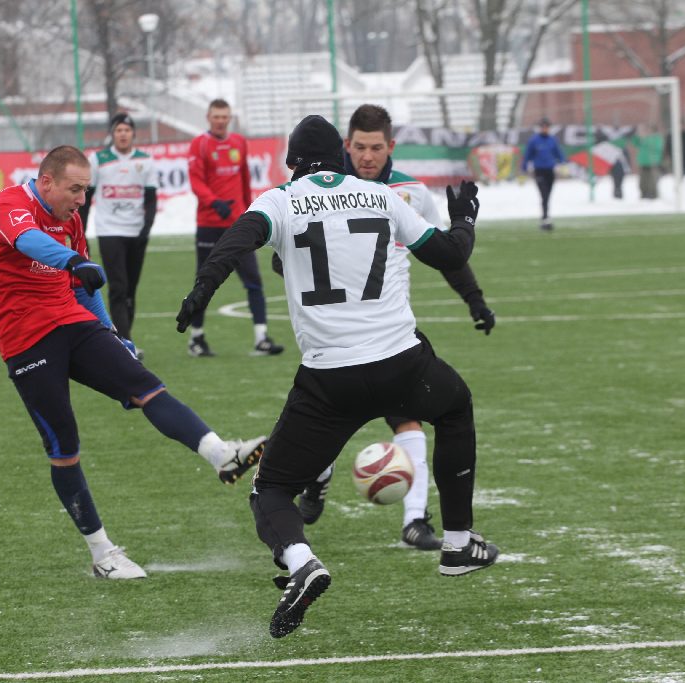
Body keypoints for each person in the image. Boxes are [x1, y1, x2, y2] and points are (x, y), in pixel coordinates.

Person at [175, 115, 499, 638]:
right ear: (344, 154)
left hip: (330, 380)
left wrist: (201, 290)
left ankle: (302, 561)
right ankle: (458, 542)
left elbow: (236, 242)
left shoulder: (281, 199)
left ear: (291, 162)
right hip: (402, 362)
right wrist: (464, 219)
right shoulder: (381, 196)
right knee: (454, 408)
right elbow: (450, 253)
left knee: (271, 491)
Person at [0, 144, 267, 580]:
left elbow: (85, 285)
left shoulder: (71, 220)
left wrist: (115, 335)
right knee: (64, 448)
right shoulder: (9, 206)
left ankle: (221, 454)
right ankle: (102, 553)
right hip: (26, 339)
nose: (80, 200)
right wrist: (74, 259)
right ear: (46, 182)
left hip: (74, 324)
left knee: (146, 385)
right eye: (74, 189)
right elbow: (29, 242)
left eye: (85, 190)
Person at [295, 104, 496, 552]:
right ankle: (318, 477)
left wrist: (475, 300)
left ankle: (415, 519)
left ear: (391, 148)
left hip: (390, 333)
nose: (368, 157)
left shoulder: (410, 193)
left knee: (412, 419)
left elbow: (441, 251)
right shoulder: (313, 189)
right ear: (346, 146)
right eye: (360, 147)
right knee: (329, 424)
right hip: (334, 336)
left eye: (377, 148)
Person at [185, 98, 283, 357]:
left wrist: (249, 211)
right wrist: (214, 202)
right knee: (204, 281)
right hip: (208, 225)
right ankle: (196, 339)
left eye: (224, 116)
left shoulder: (239, 143)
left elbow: (244, 181)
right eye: (216, 116)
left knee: (253, 281)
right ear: (208, 117)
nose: (220, 120)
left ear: (230, 118)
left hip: (237, 227)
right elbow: (196, 182)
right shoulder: (200, 144)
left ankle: (261, 338)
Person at [79, 112, 157, 358]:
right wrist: (81, 232)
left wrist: (145, 230)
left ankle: (126, 336)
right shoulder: (98, 160)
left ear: (133, 133)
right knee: (118, 287)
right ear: (112, 134)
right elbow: (86, 200)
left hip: (136, 232)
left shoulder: (146, 161)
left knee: (131, 289)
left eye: (127, 130)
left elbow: (151, 200)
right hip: (109, 230)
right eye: (119, 130)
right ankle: (125, 342)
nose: (123, 134)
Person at [521, 117, 564, 231]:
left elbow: (558, 153)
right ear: (540, 128)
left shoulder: (552, 140)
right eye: (543, 127)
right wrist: (524, 167)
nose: (545, 129)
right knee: (544, 194)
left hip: (550, 170)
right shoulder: (534, 140)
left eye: (547, 127)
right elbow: (528, 155)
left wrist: (563, 162)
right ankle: (545, 218)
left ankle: (545, 217)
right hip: (539, 170)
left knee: (548, 195)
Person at [633, 124, 664, 200]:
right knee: (642, 182)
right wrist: (636, 135)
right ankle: (644, 195)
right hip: (643, 163)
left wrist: (646, 139)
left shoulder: (657, 138)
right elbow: (635, 143)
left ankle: (653, 196)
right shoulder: (644, 138)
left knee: (652, 181)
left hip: (653, 163)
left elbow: (657, 147)